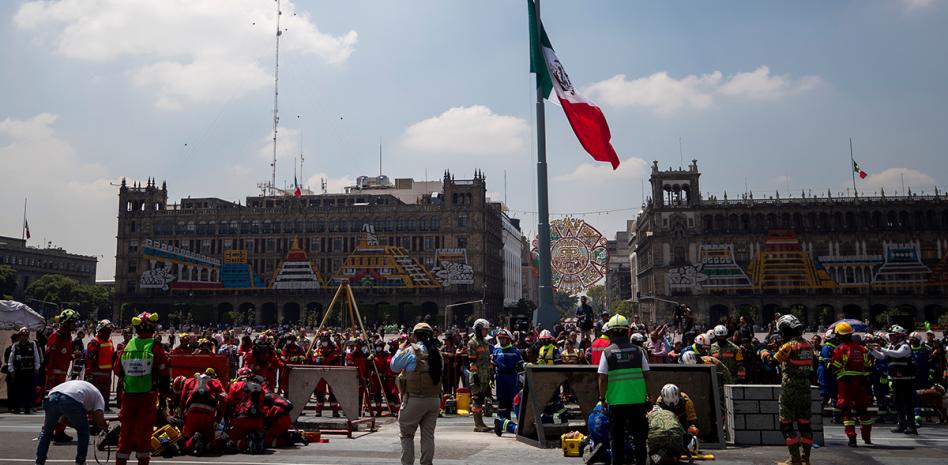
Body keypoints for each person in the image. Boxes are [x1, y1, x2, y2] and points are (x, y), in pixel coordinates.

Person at [114, 311, 171, 465]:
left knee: (125, 432)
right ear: (153, 327)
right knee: (144, 432)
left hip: (128, 395)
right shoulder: (155, 346)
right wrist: (164, 396)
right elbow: (164, 372)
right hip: (148, 395)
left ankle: (120, 461)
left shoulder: (128, 346)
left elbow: (117, 370)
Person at [598, 314, 650, 465]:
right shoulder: (639, 351)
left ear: (611, 333)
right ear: (627, 331)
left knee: (617, 439)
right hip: (637, 401)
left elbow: (602, 378)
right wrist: (650, 396)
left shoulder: (607, 353)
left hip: (616, 403)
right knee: (639, 438)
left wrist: (602, 399)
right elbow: (647, 375)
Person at [391, 323, 443, 465]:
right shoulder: (437, 353)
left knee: (407, 435)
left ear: (414, 336)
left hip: (414, 399)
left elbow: (394, 366)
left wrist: (399, 349)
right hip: (434, 400)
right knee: (428, 436)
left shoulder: (410, 351)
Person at [35, 379, 109, 465]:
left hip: (52, 397)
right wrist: (105, 427)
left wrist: (78, 425)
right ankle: (80, 462)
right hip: (71, 399)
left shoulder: (88, 391)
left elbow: (62, 420)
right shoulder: (99, 398)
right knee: (83, 432)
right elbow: (99, 419)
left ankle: (39, 462)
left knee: (47, 433)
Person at [772, 314, 814, 465]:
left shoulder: (789, 346)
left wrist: (764, 353)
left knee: (786, 424)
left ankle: (794, 458)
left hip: (789, 389)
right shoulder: (808, 345)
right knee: (805, 424)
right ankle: (805, 458)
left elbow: (772, 362)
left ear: (786, 330)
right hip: (805, 389)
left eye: (782, 332)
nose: (781, 335)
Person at [830, 322, 873, 447]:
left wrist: (828, 365)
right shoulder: (862, 348)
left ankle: (852, 439)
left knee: (847, 412)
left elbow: (836, 366)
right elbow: (868, 365)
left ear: (840, 335)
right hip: (860, 382)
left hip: (846, 383)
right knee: (863, 411)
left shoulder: (840, 349)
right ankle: (867, 437)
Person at [869, 325, 917, 435]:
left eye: (892, 335)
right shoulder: (891, 346)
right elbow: (881, 356)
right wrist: (872, 350)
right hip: (896, 379)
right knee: (898, 402)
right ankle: (902, 424)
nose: (890, 338)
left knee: (908, 403)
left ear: (899, 336)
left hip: (906, 379)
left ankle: (912, 426)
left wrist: (881, 348)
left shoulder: (905, 346)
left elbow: (898, 354)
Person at [46, 309, 78, 442]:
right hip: (54, 376)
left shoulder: (67, 336)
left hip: (62, 376)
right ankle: (48, 431)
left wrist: (72, 356)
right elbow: (49, 356)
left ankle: (59, 431)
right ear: (65, 322)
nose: (74, 325)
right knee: (54, 405)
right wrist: (50, 374)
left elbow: (63, 354)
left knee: (62, 405)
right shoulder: (57, 336)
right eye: (72, 322)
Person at [491, 329, 523, 435]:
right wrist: (491, 377)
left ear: (508, 339)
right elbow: (492, 365)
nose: (501, 340)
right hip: (500, 379)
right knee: (502, 403)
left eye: (503, 338)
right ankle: (500, 424)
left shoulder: (515, 351)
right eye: (500, 338)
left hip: (512, 379)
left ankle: (514, 425)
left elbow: (520, 367)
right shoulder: (496, 351)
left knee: (514, 402)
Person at [467, 318, 493, 432]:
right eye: (484, 329)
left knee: (481, 399)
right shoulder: (472, 343)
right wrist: (475, 375)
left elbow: (487, 359)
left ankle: (481, 423)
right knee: (476, 400)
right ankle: (478, 424)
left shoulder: (485, 342)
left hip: (485, 376)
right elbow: (472, 361)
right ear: (478, 329)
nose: (486, 331)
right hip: (477, 376)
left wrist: (491, 372)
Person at [8, 327, 41, 414]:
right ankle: (17, 407)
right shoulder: (15, 345)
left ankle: (27, 407)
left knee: (28, 390)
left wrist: (37, 367)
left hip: (29, 371)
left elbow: (36, 356)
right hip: (18, 371)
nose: (24, 337)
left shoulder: (32, 344)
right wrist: (11, 369)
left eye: (26, 335)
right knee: (17, 390)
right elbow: (11, 358)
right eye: (23, 335)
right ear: (20, 336)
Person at [85, 320, 114, 411]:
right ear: (101, 331)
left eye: (109, 331)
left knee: (106, 392)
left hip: (107, 373)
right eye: (106, 331)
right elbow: (89, 358)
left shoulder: (110, 341)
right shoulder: (95, 342)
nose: (108, 333)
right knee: (95, 393)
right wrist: (89, 371)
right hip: (96, 374)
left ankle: (105, 406)